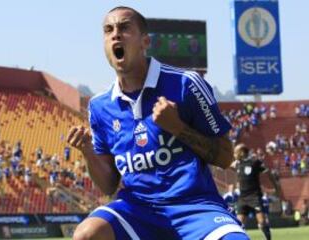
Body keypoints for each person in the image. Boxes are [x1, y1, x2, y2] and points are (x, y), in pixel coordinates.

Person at [67, 6, 248, 240]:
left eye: (124, 27)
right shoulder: (99, 106)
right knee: (87, 234)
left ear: (145, 42)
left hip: (195, 208)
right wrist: (88, 152)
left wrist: (178, 128)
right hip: (138, 211)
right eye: (108, 30)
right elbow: (109, 185)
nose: (115, 34)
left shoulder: (187, 83)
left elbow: (225, 157)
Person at [232, 143, 277, 240]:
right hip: (242, 198)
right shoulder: (238, 163)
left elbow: (267, 172)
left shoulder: (255, 162)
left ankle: (268, 238)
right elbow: (229, 165)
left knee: (262, 222)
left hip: (254, 197)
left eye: (236, 152)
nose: (234, 155)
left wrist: (275, 186)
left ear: (242, 153)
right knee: (238, 224)